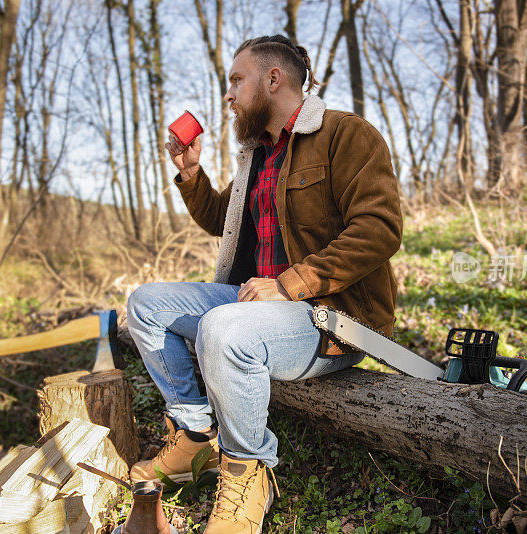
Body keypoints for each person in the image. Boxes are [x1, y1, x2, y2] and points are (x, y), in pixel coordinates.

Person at [126, 34, 403, 534]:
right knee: (146, 304)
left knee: (224, 331)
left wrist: (293, 281)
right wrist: (191, 174)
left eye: (237, 80)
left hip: (331, 316)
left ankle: (248, 472)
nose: (228, 94)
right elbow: (223, 221)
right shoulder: (258, 156)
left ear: (273, 79)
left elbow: (379, 229)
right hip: (259, 303)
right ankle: (196, 435)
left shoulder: (347, 135)